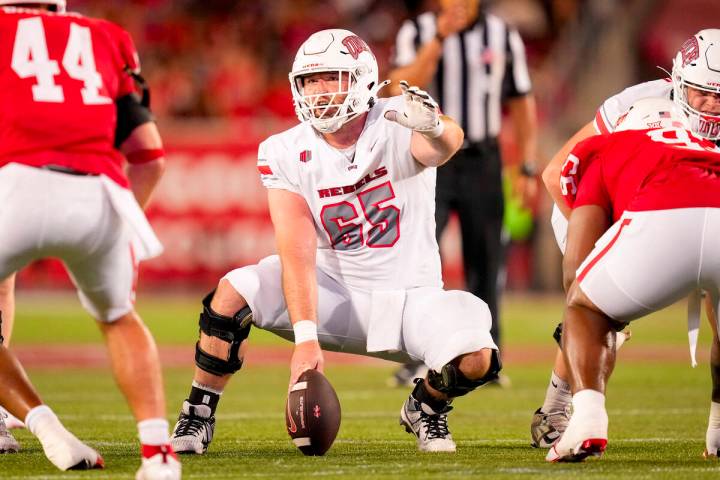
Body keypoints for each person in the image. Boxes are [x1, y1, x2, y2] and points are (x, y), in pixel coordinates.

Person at [169, 28, 501, 455]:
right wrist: (306, 337)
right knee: (232, 292)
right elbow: (296, 247)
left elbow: (443, 145)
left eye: (332, 77)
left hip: (409, 301)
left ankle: (426, 407)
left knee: (478, 357)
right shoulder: (285, 150)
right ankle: (198, 412)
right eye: (310, 80)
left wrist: (436, 126)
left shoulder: (397, 119)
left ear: (362, 79)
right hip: (333, 296)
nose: (320, 91)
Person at [0, 2, 180, 478]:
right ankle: (159, 455)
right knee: (119, 318)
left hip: (14, 184)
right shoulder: (105, 36)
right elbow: (150, 155)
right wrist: (115, 229)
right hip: (98, 192)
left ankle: (46, 429)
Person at [531, 28, 720, 449]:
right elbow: (556, 175)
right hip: (619, 204)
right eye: (702, 94)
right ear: (676, 86)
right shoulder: (630, 109)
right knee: (589, 302)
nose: (711, 107)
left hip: (674, 203)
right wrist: (613, 239)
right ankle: (558, 406)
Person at [387, 0, 539, 386]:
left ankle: (487, 358)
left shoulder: (502, 34)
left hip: (483, 158)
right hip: (427, 157)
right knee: (418, 256)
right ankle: (415, 357)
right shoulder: (418, 31)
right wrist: (439, 38)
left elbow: (521, 101)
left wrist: (527, 165)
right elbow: (396, 88)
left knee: (487, 259)